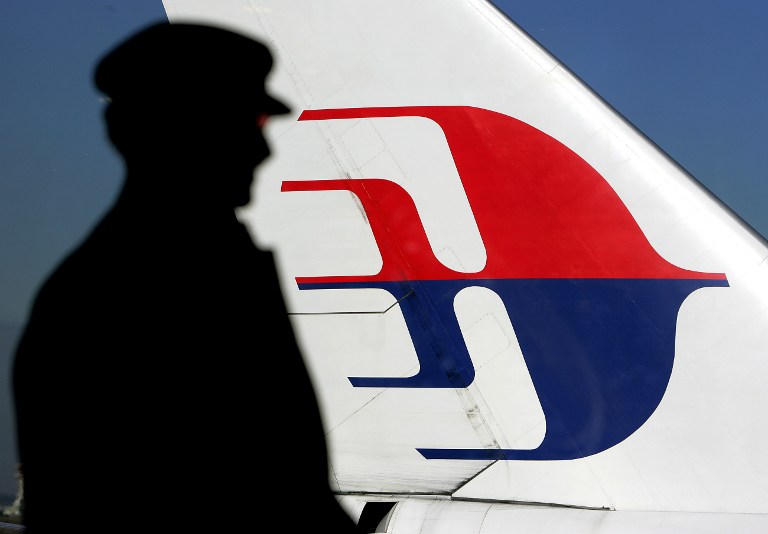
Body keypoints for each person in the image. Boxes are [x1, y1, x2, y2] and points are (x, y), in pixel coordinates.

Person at [12, 22, 357, 532]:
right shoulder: (138, 295)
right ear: (179, 132)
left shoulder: (159, 279)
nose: (264, 153)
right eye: (248, 123)